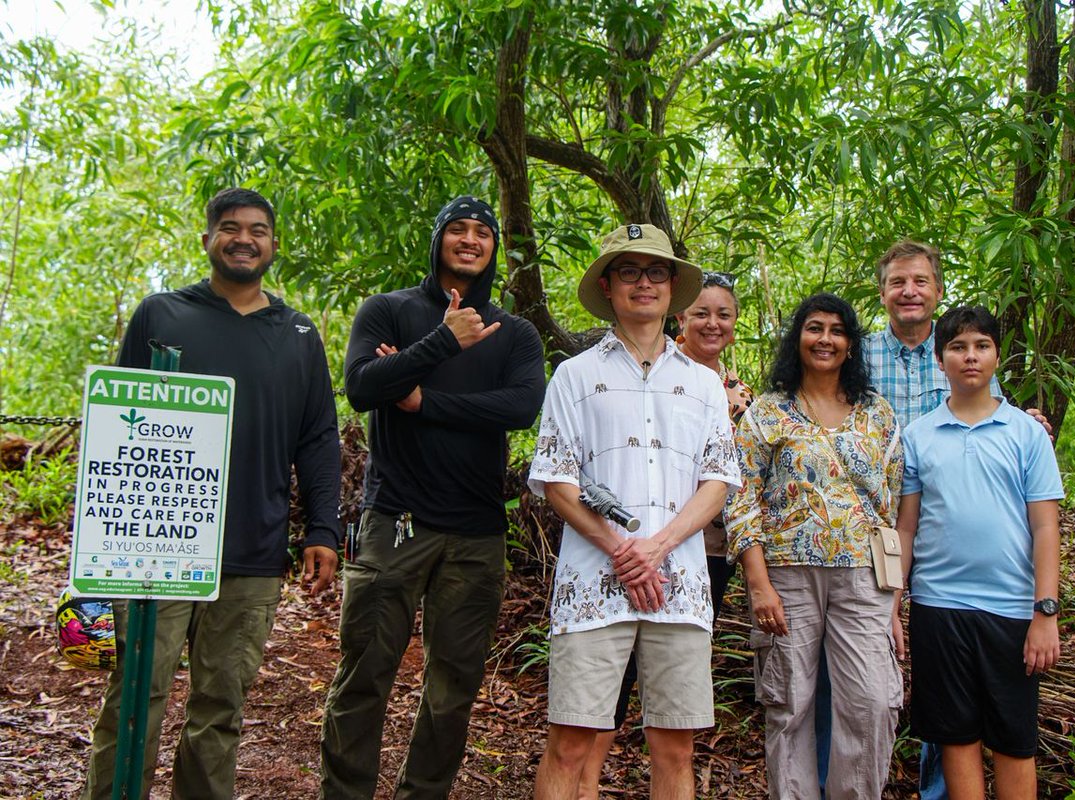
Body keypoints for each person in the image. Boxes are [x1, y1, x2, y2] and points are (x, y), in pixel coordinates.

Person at [81, 187, 342, 799]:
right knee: (135, 696)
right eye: (229, 228)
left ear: (274, 245)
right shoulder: (161, 314)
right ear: (207, 240)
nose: (244, 238)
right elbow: (117, 425)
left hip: (252, 549)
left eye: (257, 229)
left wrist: (323, 530)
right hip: (157, 549)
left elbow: (318, 439)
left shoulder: (299, 333)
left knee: (220, 708)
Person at [319, 196, 545, 799]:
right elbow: (363, 387)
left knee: (452, 690)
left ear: (495, 247)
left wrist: (420, 398)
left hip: (476, 533)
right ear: (438, 239)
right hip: (396, 521)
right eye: (458, 230)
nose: (470, 240)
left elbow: (520, 408)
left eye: (483, 233)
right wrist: (440, 343)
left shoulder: (514, 333)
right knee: (364, 677)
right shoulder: (388, 312)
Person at [529, 223, 741, 799]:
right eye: (629, 271)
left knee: (675, 747)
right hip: (593, 583)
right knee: (570, 741)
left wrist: (656, 546)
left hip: (680, 582)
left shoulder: (703, 385)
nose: (643, 283)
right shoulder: (574, 376)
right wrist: (623, 550)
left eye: (655, 272)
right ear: (608, 284)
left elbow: (718, 480)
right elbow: (556, 480)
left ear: (673, 288)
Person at [576, 269, 753, 798]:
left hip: (702, 555)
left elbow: (735, 481)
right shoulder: (622, 370)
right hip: (620, 551)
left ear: (735, 325)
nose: (712, 323)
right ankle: (585, 779)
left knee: (674, 707)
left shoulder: (736, 394)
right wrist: (632, 549)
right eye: (701, 313)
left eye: (723, 315)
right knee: (612, 683)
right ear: (681, 316)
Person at [726, 292, 903, 800]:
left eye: (837, 330)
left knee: (870, 702)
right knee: (789, 702)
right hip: (787, 577)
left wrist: (893, 601)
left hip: (864, 574)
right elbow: (742, 501)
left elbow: (890, 508)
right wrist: (758, 587)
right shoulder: (767, 413)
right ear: (797, 338)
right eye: (814, 328)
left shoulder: (877, 414)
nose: (825, 339)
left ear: (851, 344)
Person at [896, 306, 1063, 800]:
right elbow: (907, 526)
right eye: (958, 347)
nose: (970, 357)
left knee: (1013, 739)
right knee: (955, 735)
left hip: (1011, 609)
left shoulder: (1026, 433)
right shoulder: (918, 436)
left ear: (996, 356)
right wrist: (893, 603)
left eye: (981, 346)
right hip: (938, 605)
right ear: (940, 358)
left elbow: (1046, 525)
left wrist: (1045, 612)